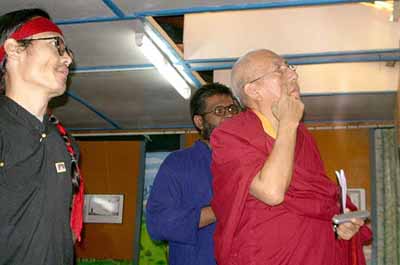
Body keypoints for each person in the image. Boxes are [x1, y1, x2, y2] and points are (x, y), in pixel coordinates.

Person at [210, 49, 372, 265]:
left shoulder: (302, 137)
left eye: (290, 68)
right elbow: (272, 192)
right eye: (279, 70)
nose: (293, 75)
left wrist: (340, 226)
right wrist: (288, 123)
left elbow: (319, 199)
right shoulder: (230, 135)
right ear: (254, 90)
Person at [0, 8, 83, 265]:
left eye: (67, 50)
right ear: (14, 48)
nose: (67, 58)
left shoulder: (65, 140)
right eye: (56, 44)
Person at [146, 83, 240, 265]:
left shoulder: (248, 162)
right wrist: (220, 209)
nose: (229, 114)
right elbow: (157, 225)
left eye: (232, 108)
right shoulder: (178, 163)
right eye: (219, 110)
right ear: (199, 122)